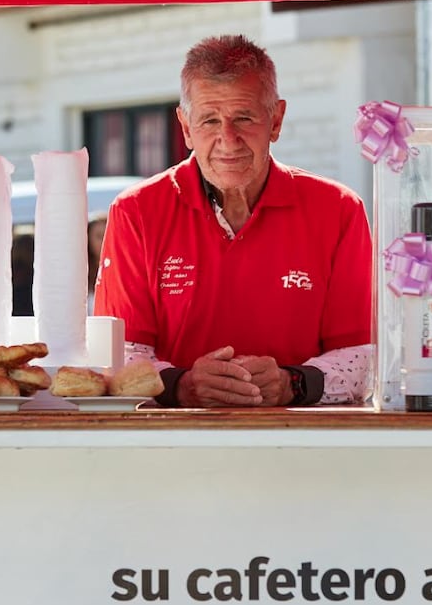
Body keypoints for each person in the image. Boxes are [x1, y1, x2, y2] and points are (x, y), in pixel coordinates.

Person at [94, 34, 373, 408]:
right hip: (171, 447)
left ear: (276, 120)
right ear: (186, 127)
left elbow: (363, 357)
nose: (228, 139)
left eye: (244, 117)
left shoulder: (338, 209)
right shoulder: (136, 211)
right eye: (210, 120)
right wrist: (182, 385)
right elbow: (115, 356)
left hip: (303, 445)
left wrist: (292, 383)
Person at [87, 211, 108, 314]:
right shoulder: (82, 274)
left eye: (106, 235)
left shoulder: (118, 271)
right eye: (99, 236)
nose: (104, 241)